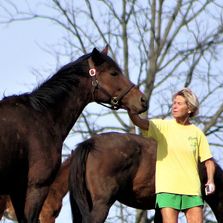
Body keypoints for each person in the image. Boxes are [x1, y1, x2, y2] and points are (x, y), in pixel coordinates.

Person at [130, 88, 216, 223]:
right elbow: (139, 122)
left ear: (189, 108)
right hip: (167, 189)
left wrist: (210, 180)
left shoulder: (197, 133)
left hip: (192, 190)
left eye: (179, 103)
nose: (174, 106)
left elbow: (208, 161)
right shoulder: (162, 126)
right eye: (174, 103)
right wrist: (131, 110)